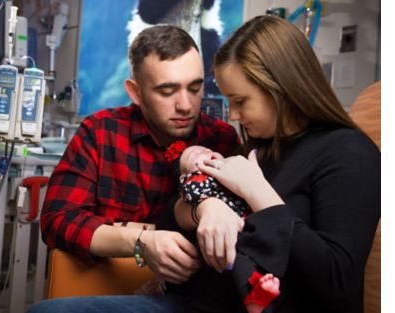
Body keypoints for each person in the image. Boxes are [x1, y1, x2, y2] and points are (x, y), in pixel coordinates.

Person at [169, 15, 380, 313]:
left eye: (241, 101)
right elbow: (168, 215)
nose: (232, 116)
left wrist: (259, 194)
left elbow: (338, 281)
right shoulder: (258, 148)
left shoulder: (349, 153)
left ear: (281, 88)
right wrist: (205, 207)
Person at [26, 24, 240, 312]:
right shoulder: (100, 132)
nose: (186, 105)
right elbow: (57, 220)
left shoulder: (222, 139)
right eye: (167, 91)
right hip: (111, 292)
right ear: (135, 92)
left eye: (195, 87)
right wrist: (141, 242)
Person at [158, 142, 281, 313]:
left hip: (249, 228)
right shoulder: (194, 181)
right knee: (237, 261)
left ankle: (260, 289)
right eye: (194, 155)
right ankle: (253, 297)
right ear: (183, 176)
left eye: (208, 149)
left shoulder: (233, 171)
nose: (206, 151)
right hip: (226, 238)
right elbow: (191, 195)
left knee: (259, 264)